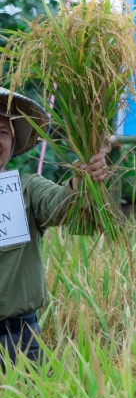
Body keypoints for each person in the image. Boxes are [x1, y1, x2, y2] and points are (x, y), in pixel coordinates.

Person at [0, 89, 108, 366]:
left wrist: (81, 180)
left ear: (12, 143)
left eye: (2, 132)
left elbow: (60, 205)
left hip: (18, 341)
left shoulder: (25, 188)